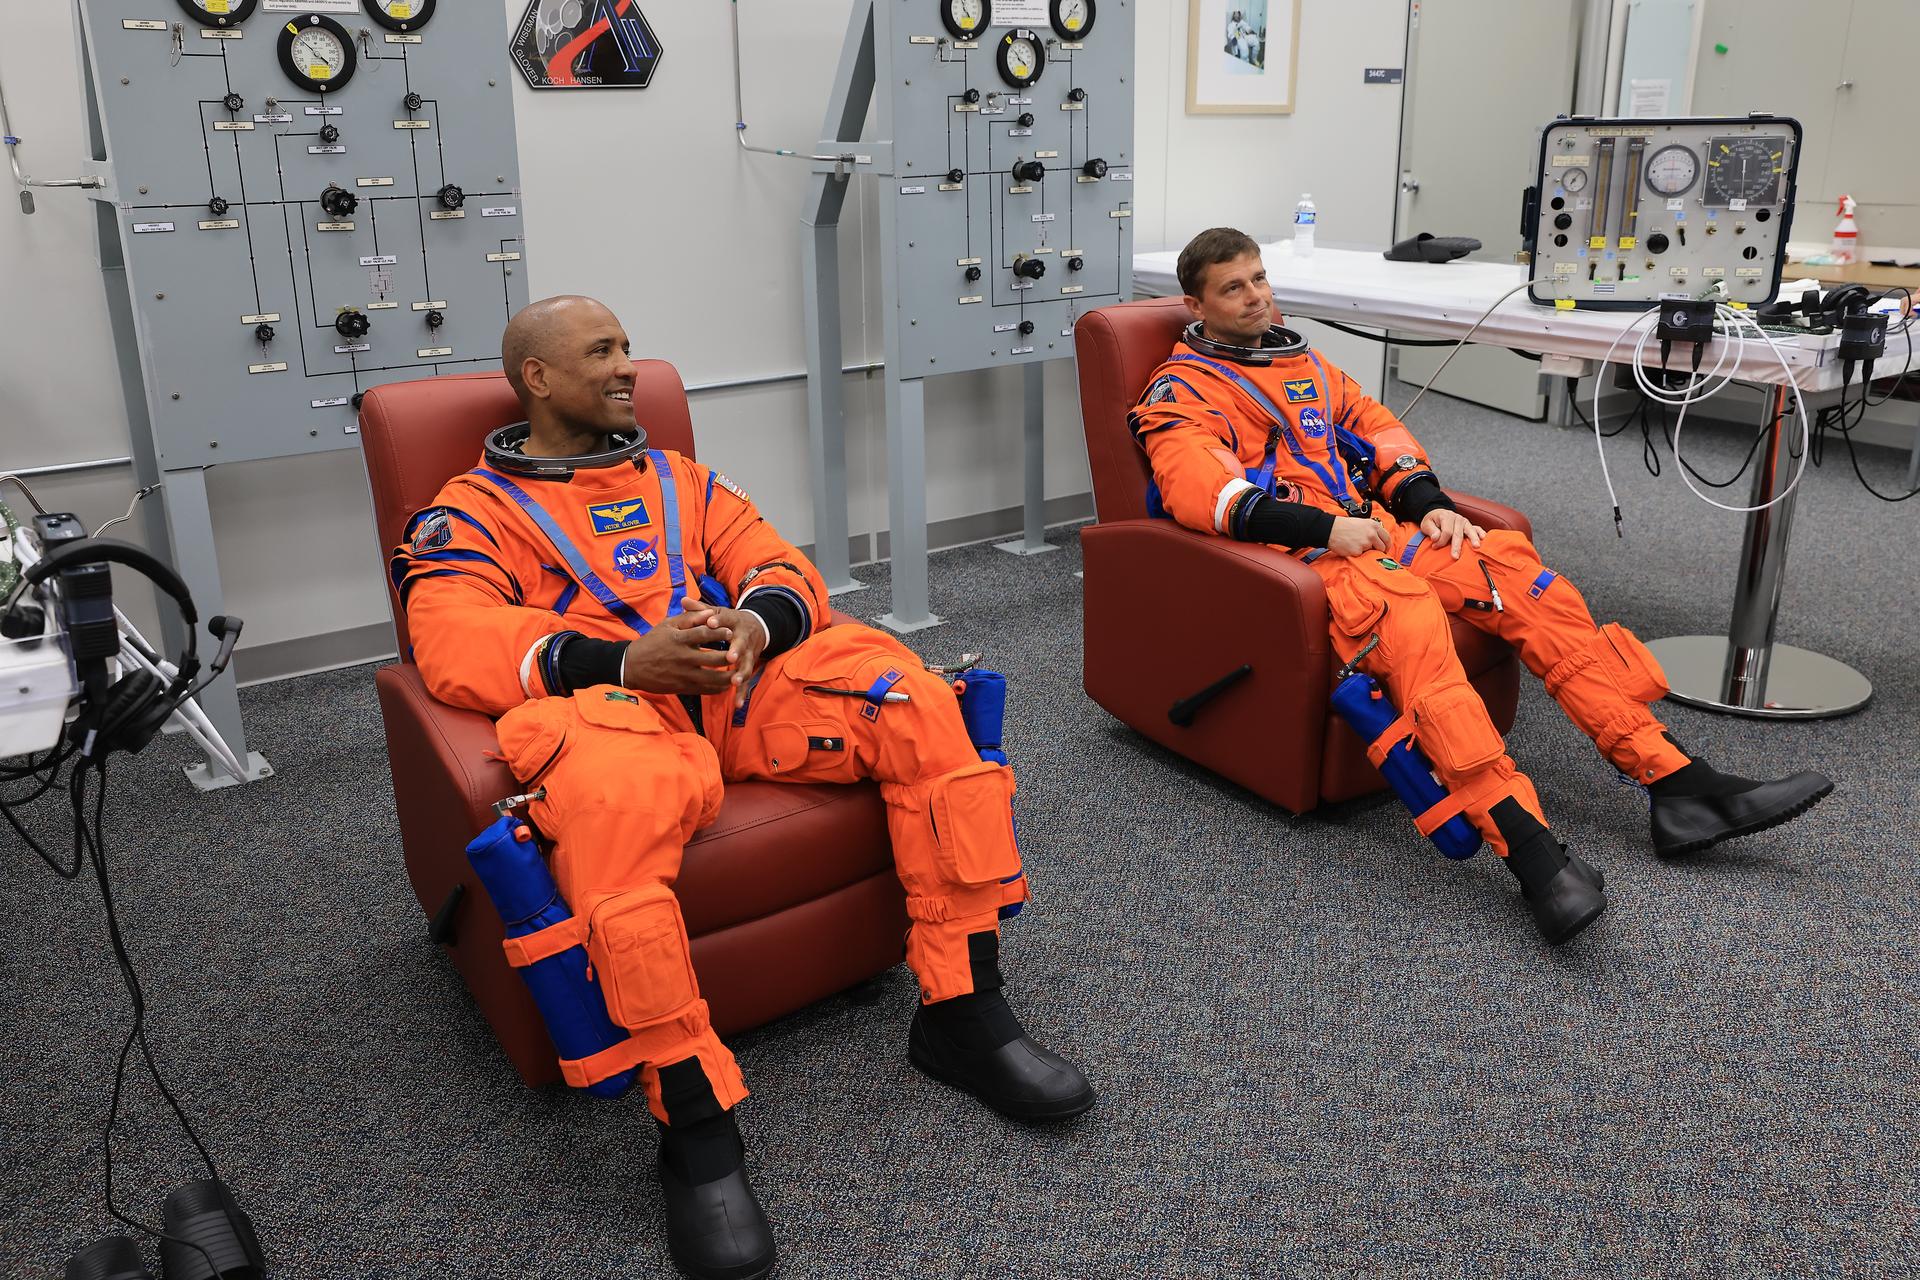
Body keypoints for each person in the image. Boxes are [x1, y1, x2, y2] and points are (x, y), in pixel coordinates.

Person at [391, 296, 1094, 1280]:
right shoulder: (470, 512)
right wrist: (625, 659)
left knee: (917, 701)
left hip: (736, 688)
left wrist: (756, 625)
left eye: (629, 347)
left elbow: (774, 562)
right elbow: (451, 638)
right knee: (617, 803)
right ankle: (694, 1122)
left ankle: (964, 1010)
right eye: (601, 351)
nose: (628, 366)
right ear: (537, 377)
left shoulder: (679, 479)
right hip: (613, 708)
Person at [1131, 228, 1833, 944]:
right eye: (1233, 288)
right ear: (1197, 304)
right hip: (1305, 557)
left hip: (1375, 530)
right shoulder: (1180, 392)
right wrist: (1326, 529)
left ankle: (1679, 785)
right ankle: (1530, 851)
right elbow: (1205, 494)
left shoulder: (1304, 362)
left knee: (1519, 577)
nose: (1257, 297)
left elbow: (1379, 433)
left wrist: (1428, 504)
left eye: (1259, 278)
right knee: (1408, 621)